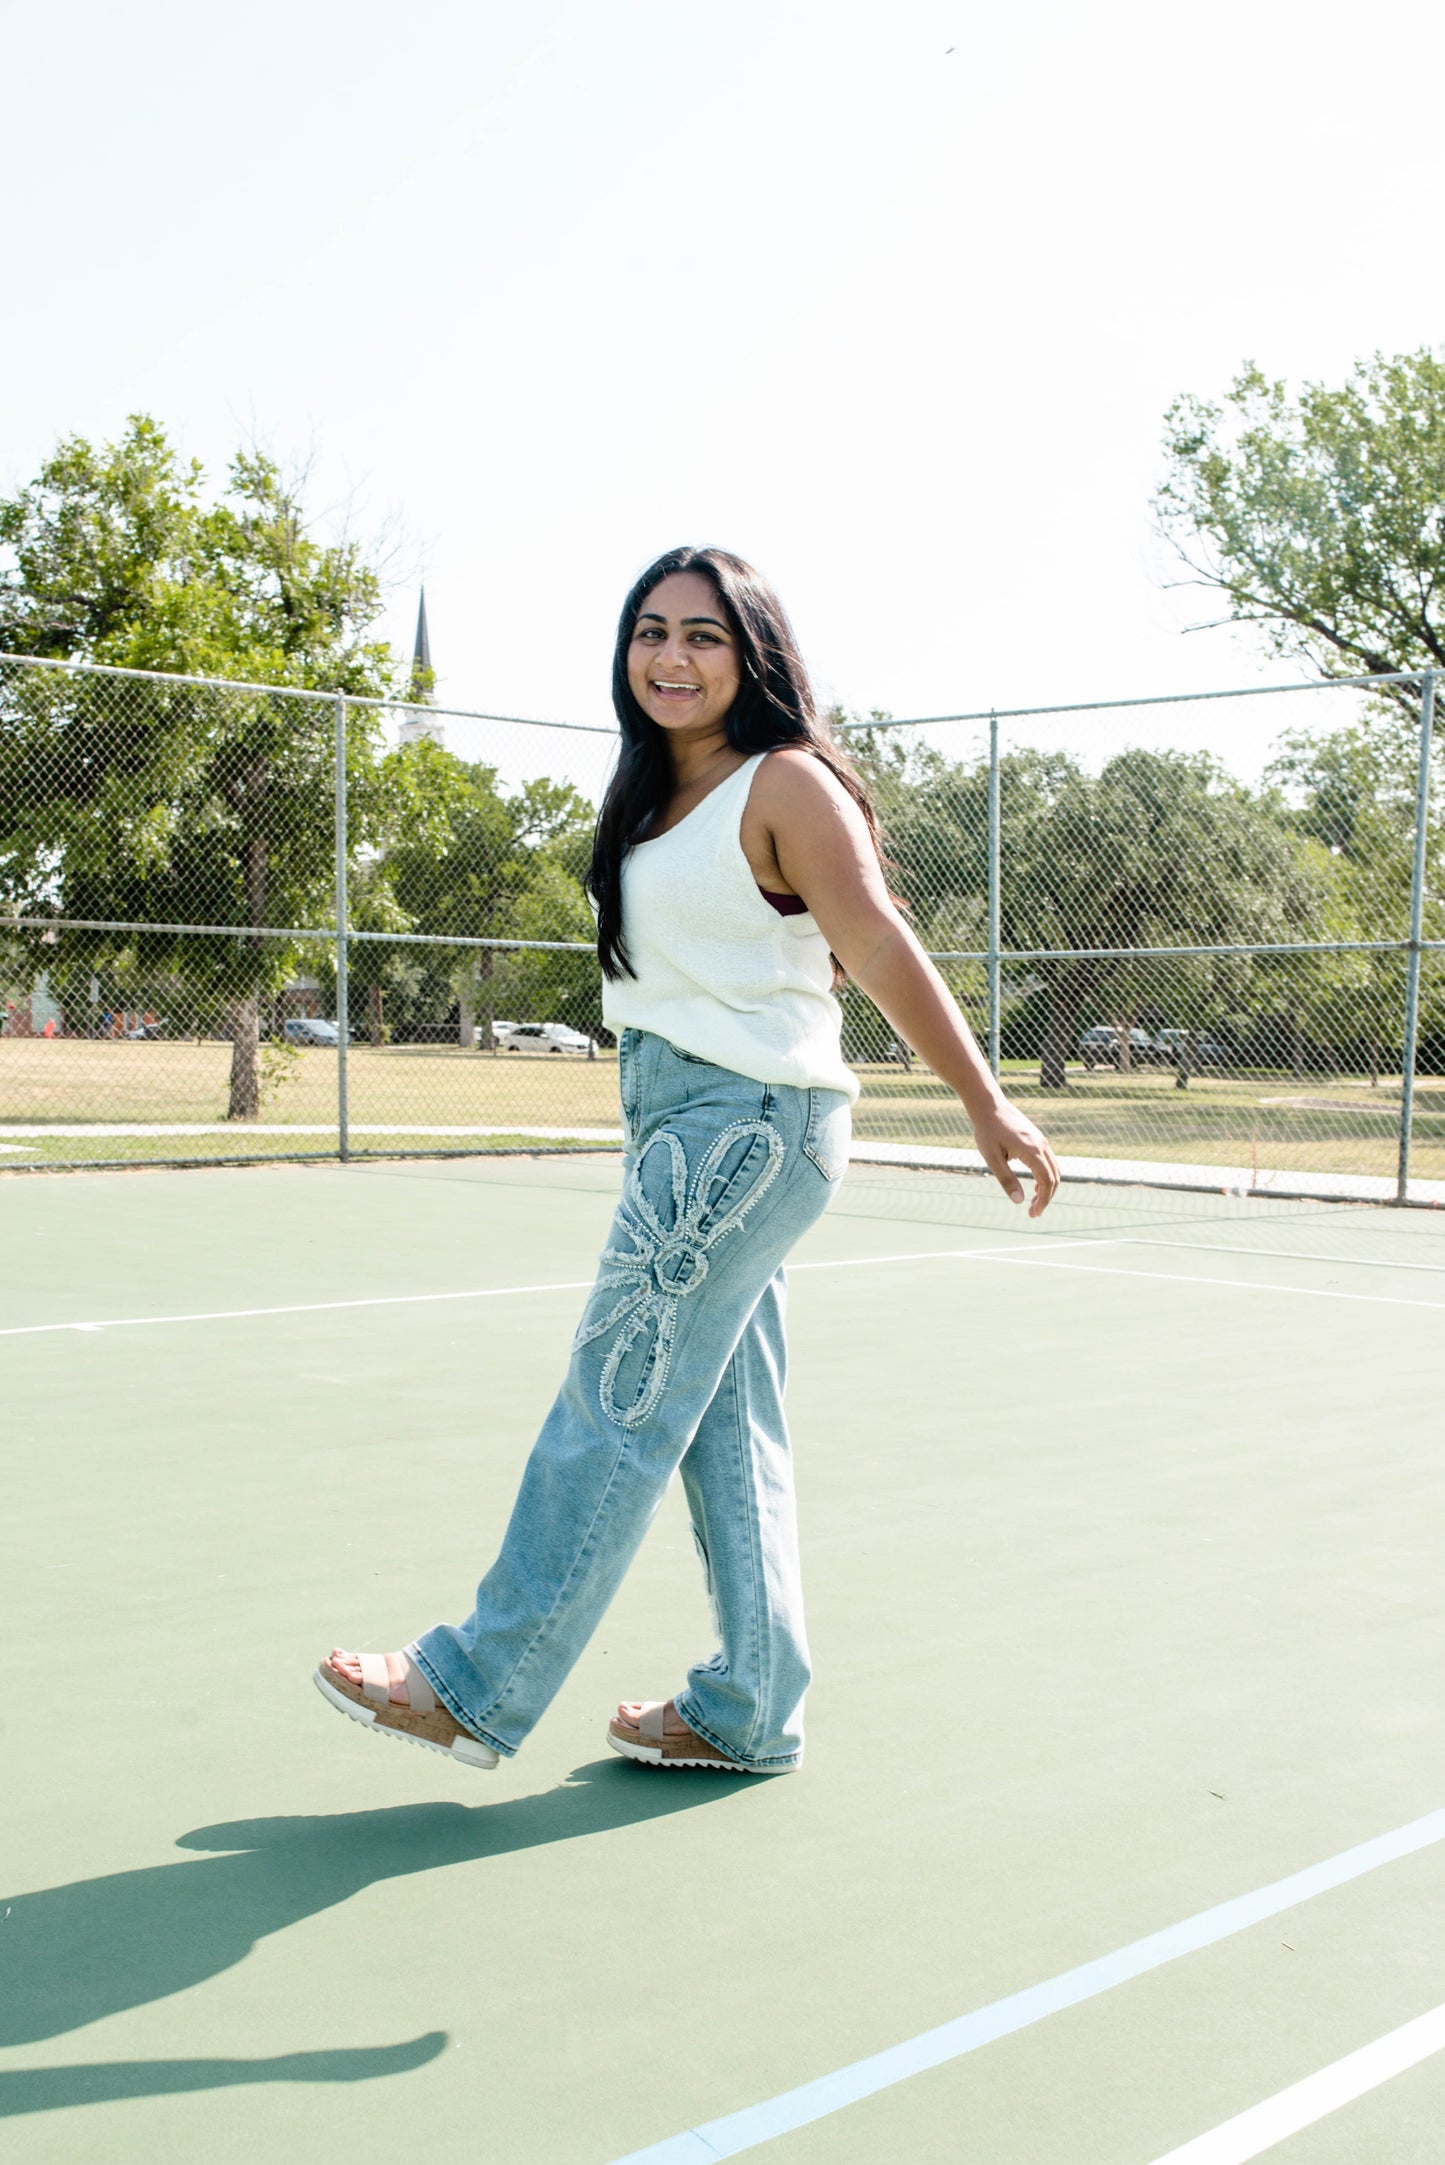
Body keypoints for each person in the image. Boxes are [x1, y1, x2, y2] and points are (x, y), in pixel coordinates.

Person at [316, 546, 1060, 1775]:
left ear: (752, 654)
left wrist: (986, 1104)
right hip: (685, 1122)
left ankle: (474, 1680)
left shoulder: (785, 783)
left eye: (704, 635)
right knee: (721, 1426)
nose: (671, 655)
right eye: (650, 630)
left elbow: (874, 942)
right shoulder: (654, 792)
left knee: (612, 1398)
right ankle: (748, 1706)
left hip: (744, 1128)